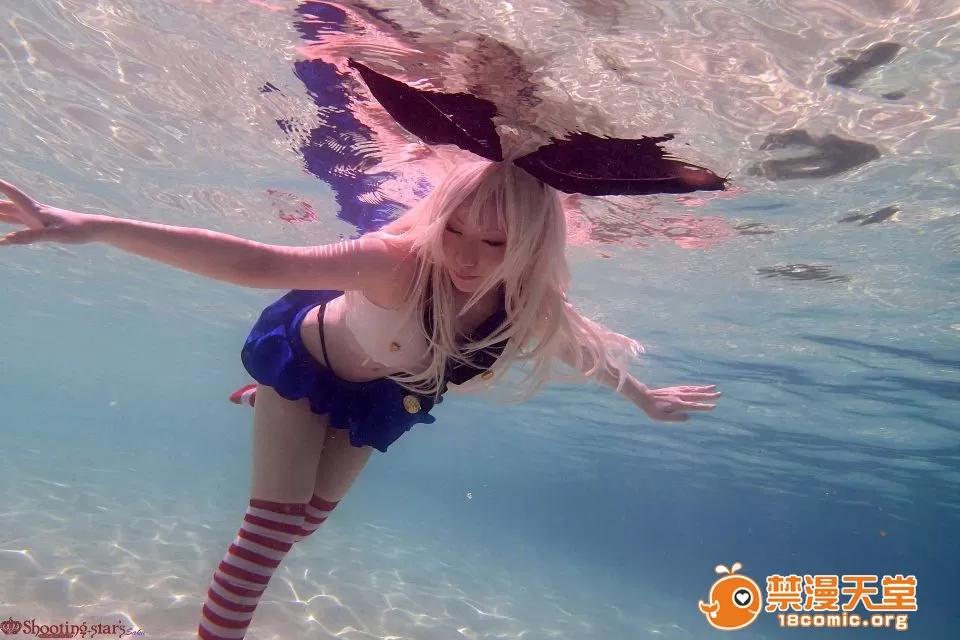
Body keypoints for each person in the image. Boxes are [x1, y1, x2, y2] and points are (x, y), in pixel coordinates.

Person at [0, 158, 721, 638]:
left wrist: (646, 399)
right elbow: (259, 263)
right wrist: (95, 227)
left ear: (531, 246)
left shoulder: (527, 304)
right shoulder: (395, 262)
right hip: (307, 363)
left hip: (381, 395)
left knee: (309, 523)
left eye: (495, 243)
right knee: (271, 532)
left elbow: (583, 354)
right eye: (454, 229)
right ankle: (269, 401)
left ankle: (262, 407)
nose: (465, 256)